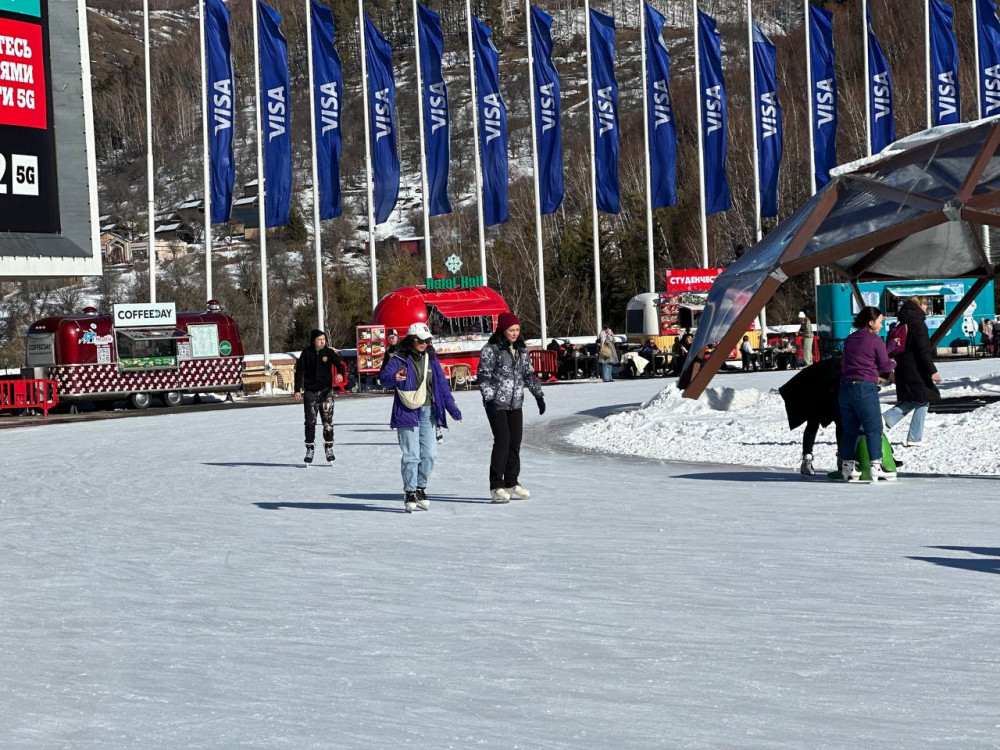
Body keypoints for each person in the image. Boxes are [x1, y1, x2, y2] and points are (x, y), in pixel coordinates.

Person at [377, 322, 462, 512]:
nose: (425, 343)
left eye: (428, 340)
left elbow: (441, 385)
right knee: (411, 455)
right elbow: (383, 378)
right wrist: (394, 378)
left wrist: (453, 409)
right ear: (411, 340)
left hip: (429, 412)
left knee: (429, 454)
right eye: (421, 340)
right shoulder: (399, 358)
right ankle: (409, 491)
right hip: (407, 411)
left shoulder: (431, 359)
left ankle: (420, 487)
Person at [478, 312, 545, 504]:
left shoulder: (522, 350)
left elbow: (529, 375)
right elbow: (483, 376)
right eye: (511, 330)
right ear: (503, 330)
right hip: (496, 403)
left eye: (517, 330)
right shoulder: (491, 349)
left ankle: (511, 482)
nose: (515, 333)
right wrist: (489, 399)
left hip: (516, 402)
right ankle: (496, 486)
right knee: (503, 441)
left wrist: (538, 396)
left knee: (515, 442)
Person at [839, 306, 897, 482]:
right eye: (880, 322)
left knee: (850, 429)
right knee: (873, 428)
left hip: (845, 388)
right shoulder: (875, 340)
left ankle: (848, 467)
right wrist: (893, 363)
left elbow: (859, 358)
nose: (881, 326)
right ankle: (876, 466)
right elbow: (885, 365)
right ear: (871, 323)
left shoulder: (850, 339)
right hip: (864, 388)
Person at [883, 296, 941, 448]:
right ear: (919, 305)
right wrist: (932, 371)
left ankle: (912, 436)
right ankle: (887, 420)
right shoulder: (918, 324)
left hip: (903, 367)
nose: (927, 307)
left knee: (921, 399)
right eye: (925, 304)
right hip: (915, 368)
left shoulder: (904, 321)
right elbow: (923, 350)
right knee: (920, 399)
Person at [779, 357, 843, 475]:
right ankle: (841, 457)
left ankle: (807, 459)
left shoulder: (833, 364)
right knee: (838, 423)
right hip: (818, 392)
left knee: (814, 424)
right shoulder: (844, 366)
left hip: (818, 392)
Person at [293, 329, 344, 463]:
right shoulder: (306, 353)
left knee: (327, 421)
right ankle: (310, 448)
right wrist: (297, 389)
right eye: (319, 340)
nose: (323, 342)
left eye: (324, 339)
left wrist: (340, 374)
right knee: (310, 421)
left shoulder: (328, 352)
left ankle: (328, 447)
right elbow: (299, 371)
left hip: (326, 391)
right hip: (310, 392)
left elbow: (340, 365)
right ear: (314, 341)